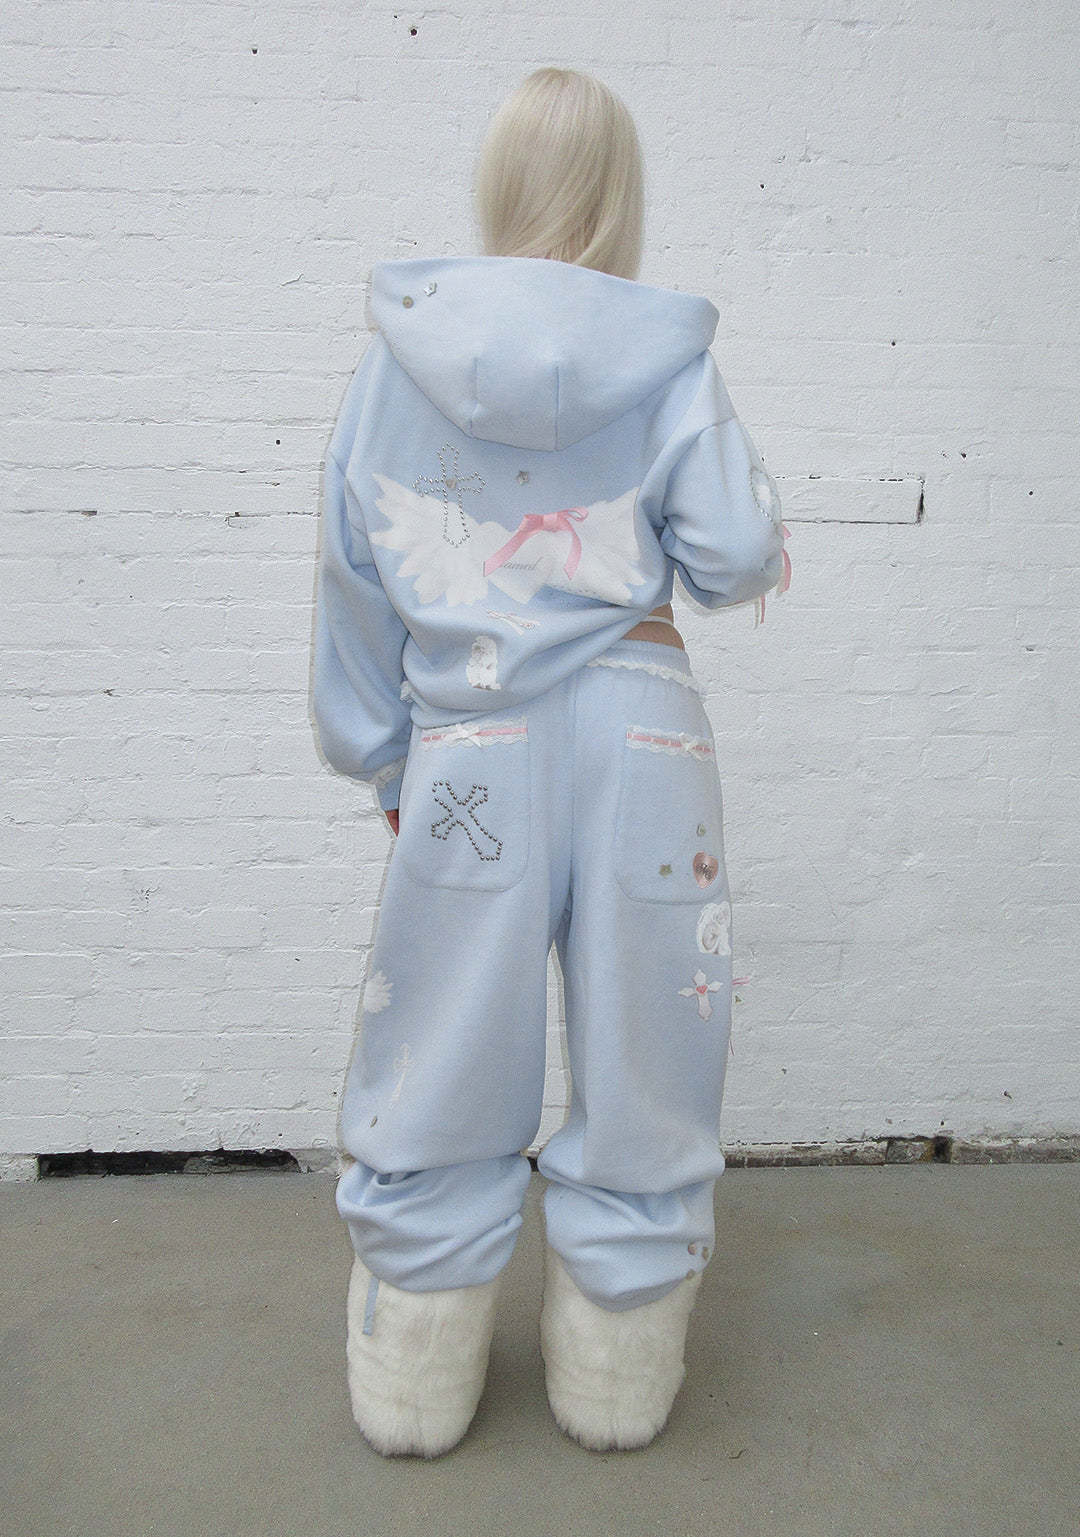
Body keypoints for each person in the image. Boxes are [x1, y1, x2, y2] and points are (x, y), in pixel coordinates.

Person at [311, 66, 791, 1460]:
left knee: (443, 1033)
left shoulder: (397, 363)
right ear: (622, 196)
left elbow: (354, 575)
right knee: (652, 1037)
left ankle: (417, 1371)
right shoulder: (670, 358)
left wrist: (382, 758)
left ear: (500, 183)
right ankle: (616, 1370)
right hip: (644, 729)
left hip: (474, 737)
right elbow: (732, 554)